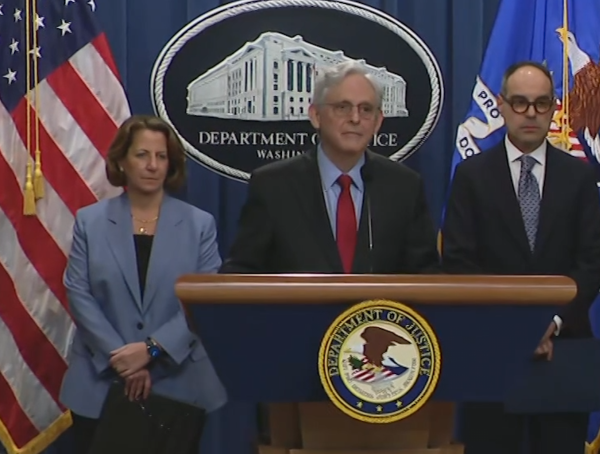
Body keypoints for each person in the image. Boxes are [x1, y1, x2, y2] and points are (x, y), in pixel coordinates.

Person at [441, 61, 600, 454]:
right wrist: (515, 328)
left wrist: (549, 323)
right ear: (500, 105)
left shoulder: (579, 176)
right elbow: (460, 261)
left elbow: (592, 259)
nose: (531, 113)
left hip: (564, 348)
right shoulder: (472, 176)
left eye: (541, 103)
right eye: (519, 103)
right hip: (492, 352)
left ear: (554, 108)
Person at [60, 115, 227, 454]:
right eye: (141, 155)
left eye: (161, 156)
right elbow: (79, 293)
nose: (152, 165)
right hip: (100, 383)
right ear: (121, 160)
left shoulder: (199, 225)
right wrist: (122, 359)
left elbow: (205, 300)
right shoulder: (90, 222)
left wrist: (151, 351)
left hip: (179, 386)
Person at [220, 60, 440, 275]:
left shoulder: (404, 186)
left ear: (378, 121)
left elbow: (425, 276)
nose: (355, 118)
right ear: (316, 116)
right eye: (342, 107)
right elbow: (241, 273)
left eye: (366, 109)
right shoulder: (273, 185)